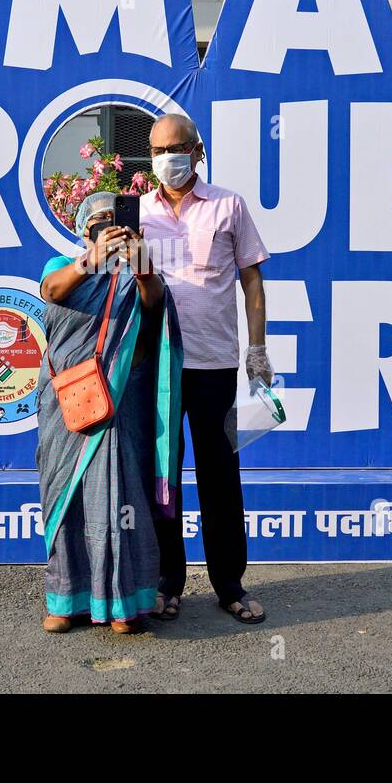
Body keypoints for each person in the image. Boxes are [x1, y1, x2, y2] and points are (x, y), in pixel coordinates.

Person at [140, 114, 273, 625]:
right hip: (156, 366)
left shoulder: (228, 205)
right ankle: (165, 583)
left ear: (197, 151)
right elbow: (112, 283)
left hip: (215, 363)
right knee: (162, 477)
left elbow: (252, 281)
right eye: (156, 150)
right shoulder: (138, 213)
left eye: (175, 148)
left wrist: (256, 349)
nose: (165, 159)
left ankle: (230, 585)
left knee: (221, 476)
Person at [36, 191, 184, 635]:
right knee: (69, 499)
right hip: (68, 406)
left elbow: (155, 307)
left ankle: (125, 604)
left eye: (113, 218)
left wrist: (141, 268)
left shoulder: (137, 271)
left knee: (122, 501)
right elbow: (52, 292)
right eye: (98, 220)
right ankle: (66, 600)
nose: (108, 225)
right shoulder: (60, 264)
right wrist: (91, 260)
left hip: (122, 403)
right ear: (84, 231)